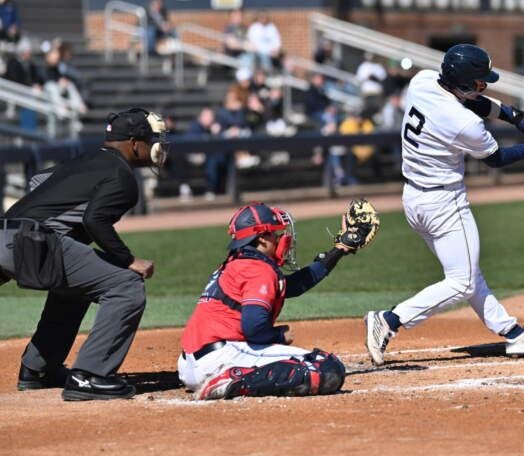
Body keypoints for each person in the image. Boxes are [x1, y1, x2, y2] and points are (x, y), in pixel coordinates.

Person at [364, 44, 524, 365]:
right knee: (463, 281)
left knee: (467, 273)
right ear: (464, 83)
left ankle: (513, 334)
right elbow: (496, 158)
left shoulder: (424, 80)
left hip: (414, 200)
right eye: (479, 81)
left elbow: (476, 101)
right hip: (445, 203)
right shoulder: (462, 123)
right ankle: (390, 320)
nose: (483, 86)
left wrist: (512, 115)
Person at [0, 108, 167, 400]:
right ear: (134, 143)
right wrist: (128, 260)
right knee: (125, 285)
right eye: (149, 138)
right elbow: (95, 220)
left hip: (8, 233)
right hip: (33, 242)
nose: (155, 144)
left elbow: (39, 180)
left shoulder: (86, 159)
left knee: (78, 285)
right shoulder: (122, 175)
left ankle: (39, 369)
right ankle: (90, 376)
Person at [177, 199, 378, 399]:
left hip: (193, 362)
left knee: (306, 366)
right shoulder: (257, 270)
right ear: (262, 238)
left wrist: (339, 250)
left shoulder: (239, 263)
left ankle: (231, 377)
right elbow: (254, 327)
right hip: (220, 358)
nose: (280, 238)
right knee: (326, 368)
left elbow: (295, 285)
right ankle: (232, 380)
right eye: (274, 233)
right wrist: (279, 336)